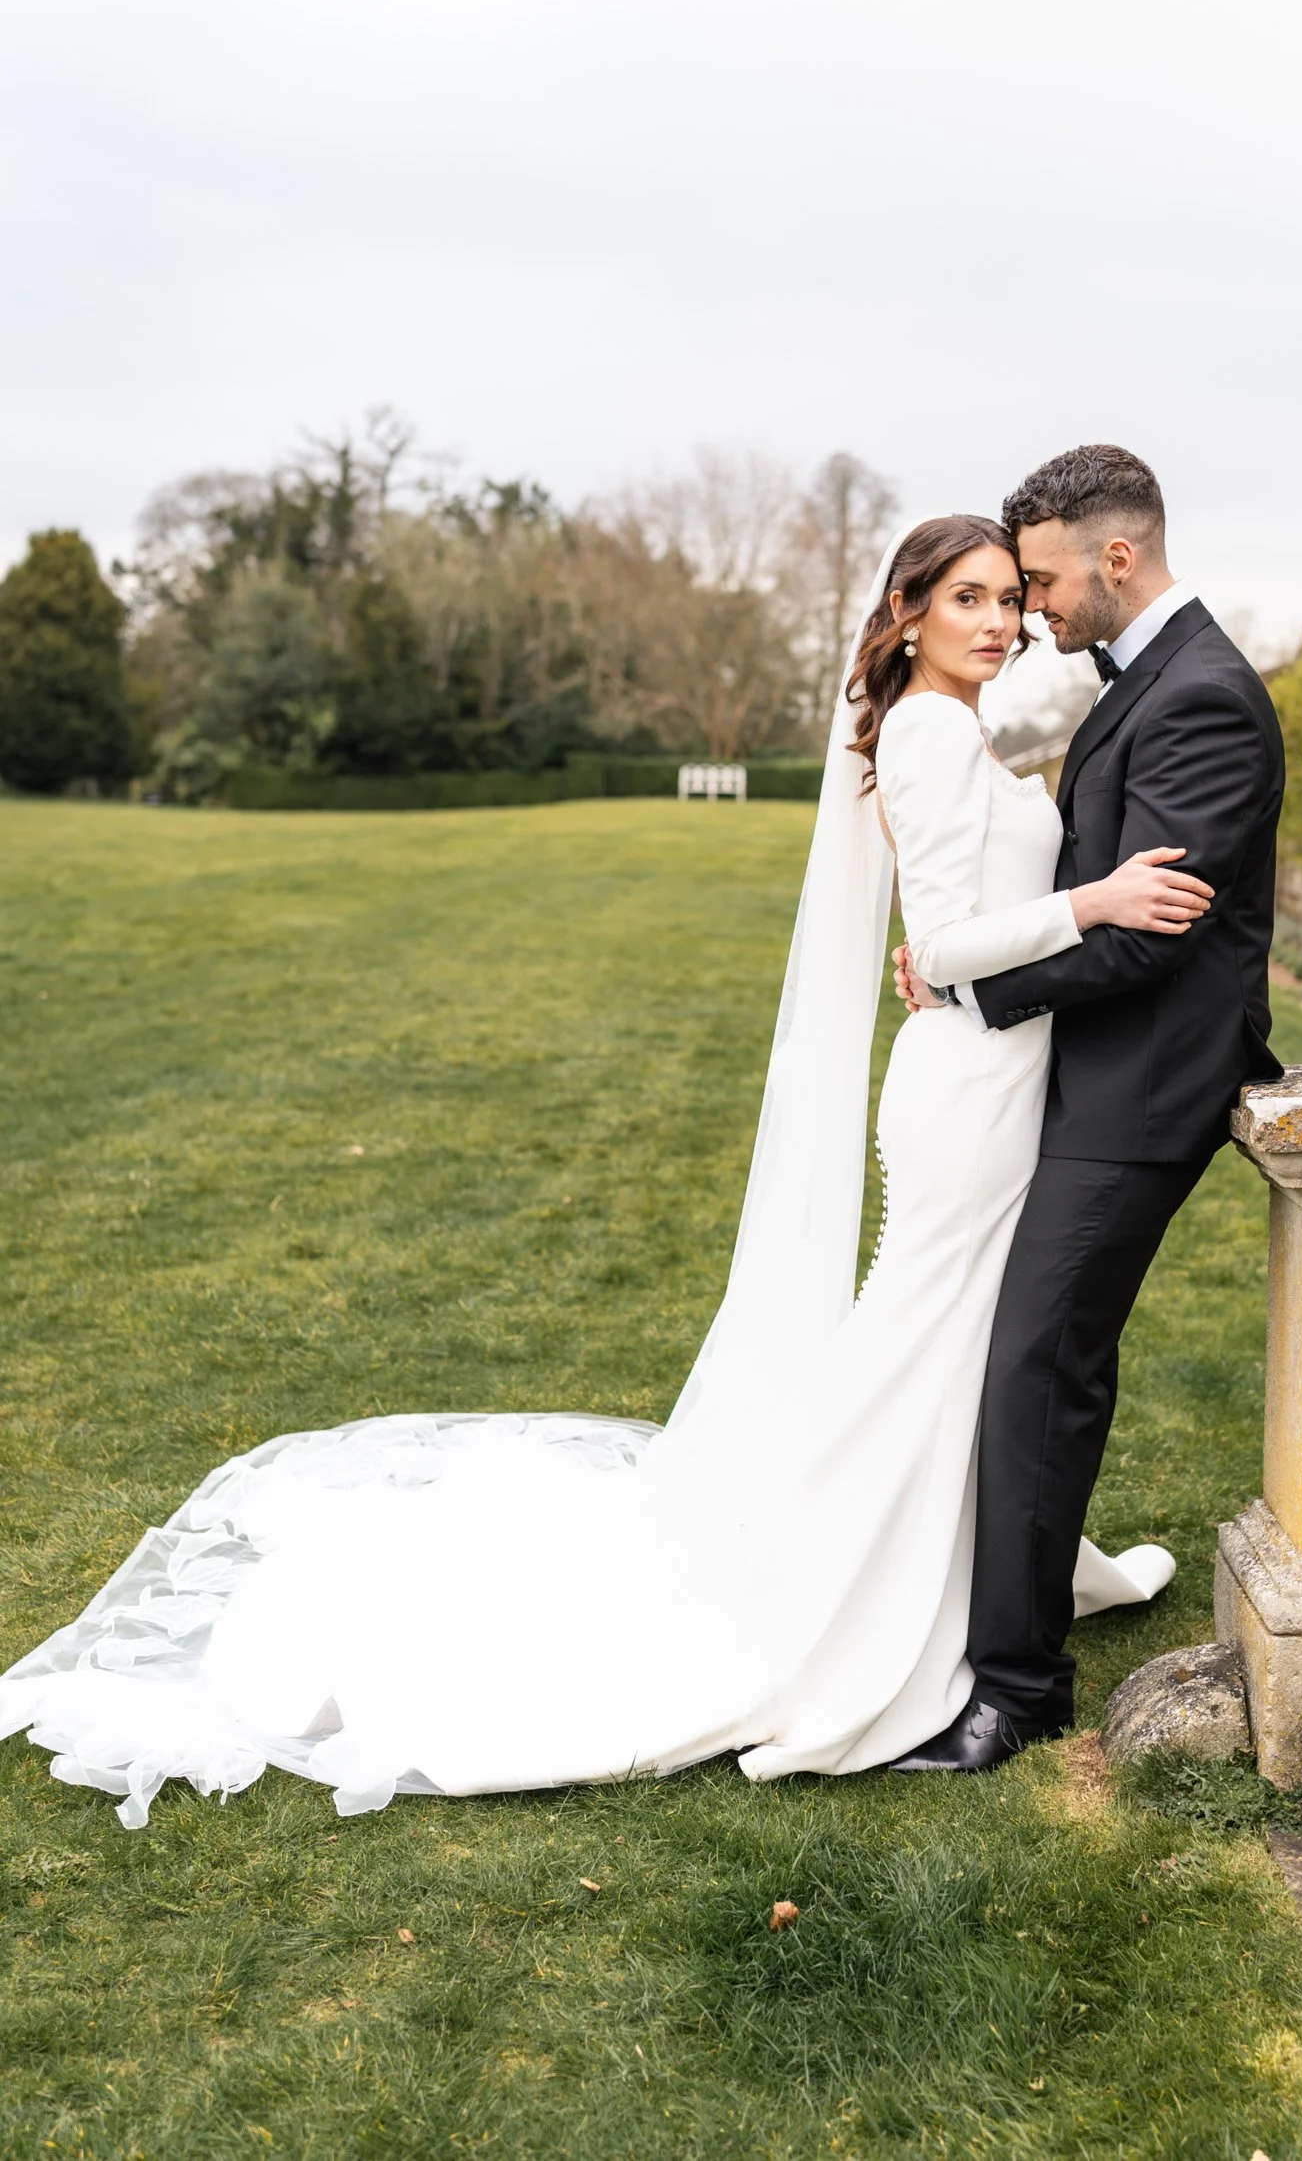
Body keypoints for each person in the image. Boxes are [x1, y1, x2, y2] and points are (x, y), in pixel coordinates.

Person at [0, 509, 1210, 1827]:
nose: (992, 621)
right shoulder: (922, 731)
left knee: (958, 1348)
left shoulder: (951, 726)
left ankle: (997, 1575)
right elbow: (952, 940)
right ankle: (853, 1594)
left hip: (985, 1077)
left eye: (1002, 601)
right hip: (965, 1096)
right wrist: (1093, 905)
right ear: (906, 614)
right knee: (926, 1349)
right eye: (965, 598)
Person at [888, 446, 1284, 1775]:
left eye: (1045, 579)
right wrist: (974, 952)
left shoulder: (1206, 698)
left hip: (1143, 1084)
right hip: (1091, 1067)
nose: (1034, 609)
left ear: (1118, 557)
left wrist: (978, 994)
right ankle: (1009, 1628)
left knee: (1036, 1364)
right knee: (1038, 1361)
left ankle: (1016, 1686)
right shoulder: (1148, 681)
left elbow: (1151, 934)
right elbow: (1088, 890)